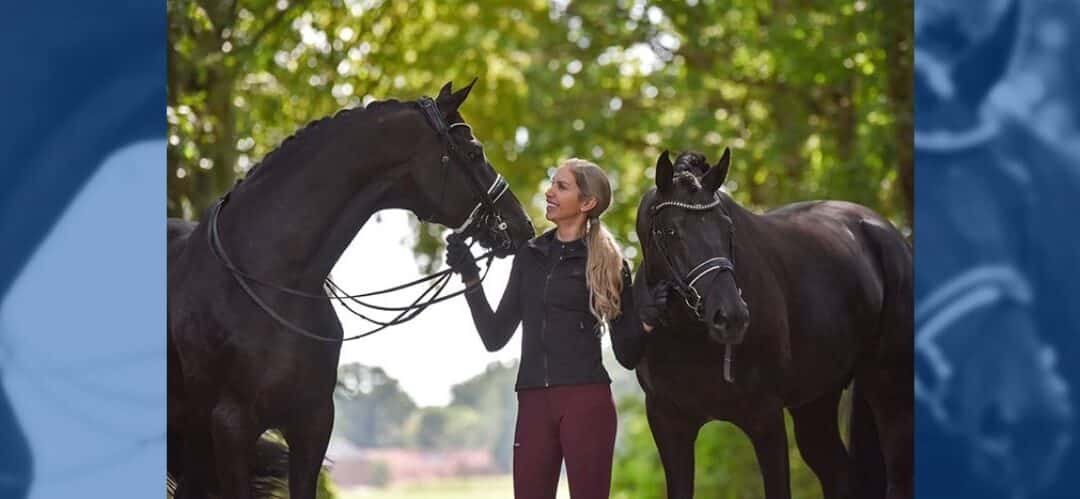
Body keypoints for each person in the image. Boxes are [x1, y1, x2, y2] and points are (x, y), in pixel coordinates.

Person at [446, 158, 670, 499]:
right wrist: (470, 277)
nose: (549, 192)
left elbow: (627, 352)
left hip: (586, 403)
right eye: (552, 184)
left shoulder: (610, 263)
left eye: (561, 186)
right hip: (533, 402)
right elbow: (494, 336)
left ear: (586, 203)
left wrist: (649, 319)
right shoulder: (530, 256)